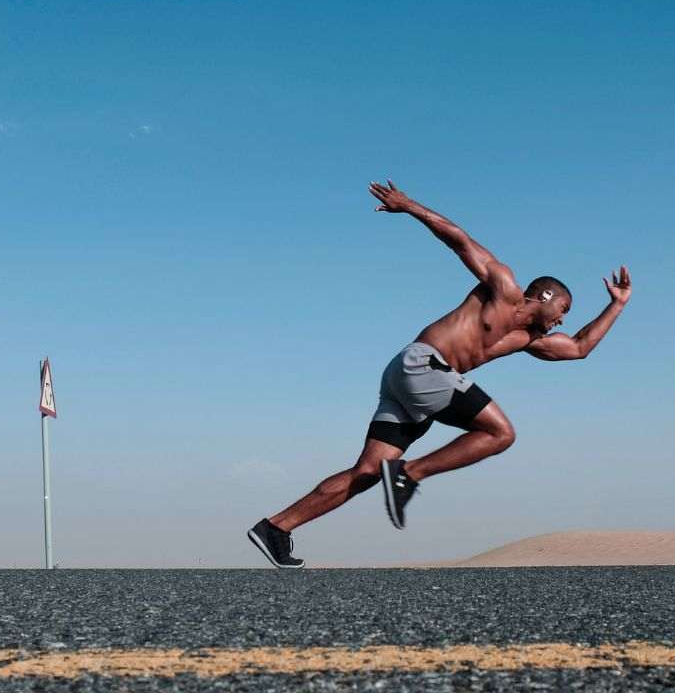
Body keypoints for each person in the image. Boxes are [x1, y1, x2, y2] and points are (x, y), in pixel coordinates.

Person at [247, 180, 632, 568]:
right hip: (422, 365)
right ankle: (409, 475)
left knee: (367, 471)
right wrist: (409, 205)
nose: (564, 318)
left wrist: (616, 306)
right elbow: (459, 240)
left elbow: (580, 347)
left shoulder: (528, 339)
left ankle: (277, 527)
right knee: (501, 433)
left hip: (412, 383)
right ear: (545, 297)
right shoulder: (503, 287)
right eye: (564, 308)